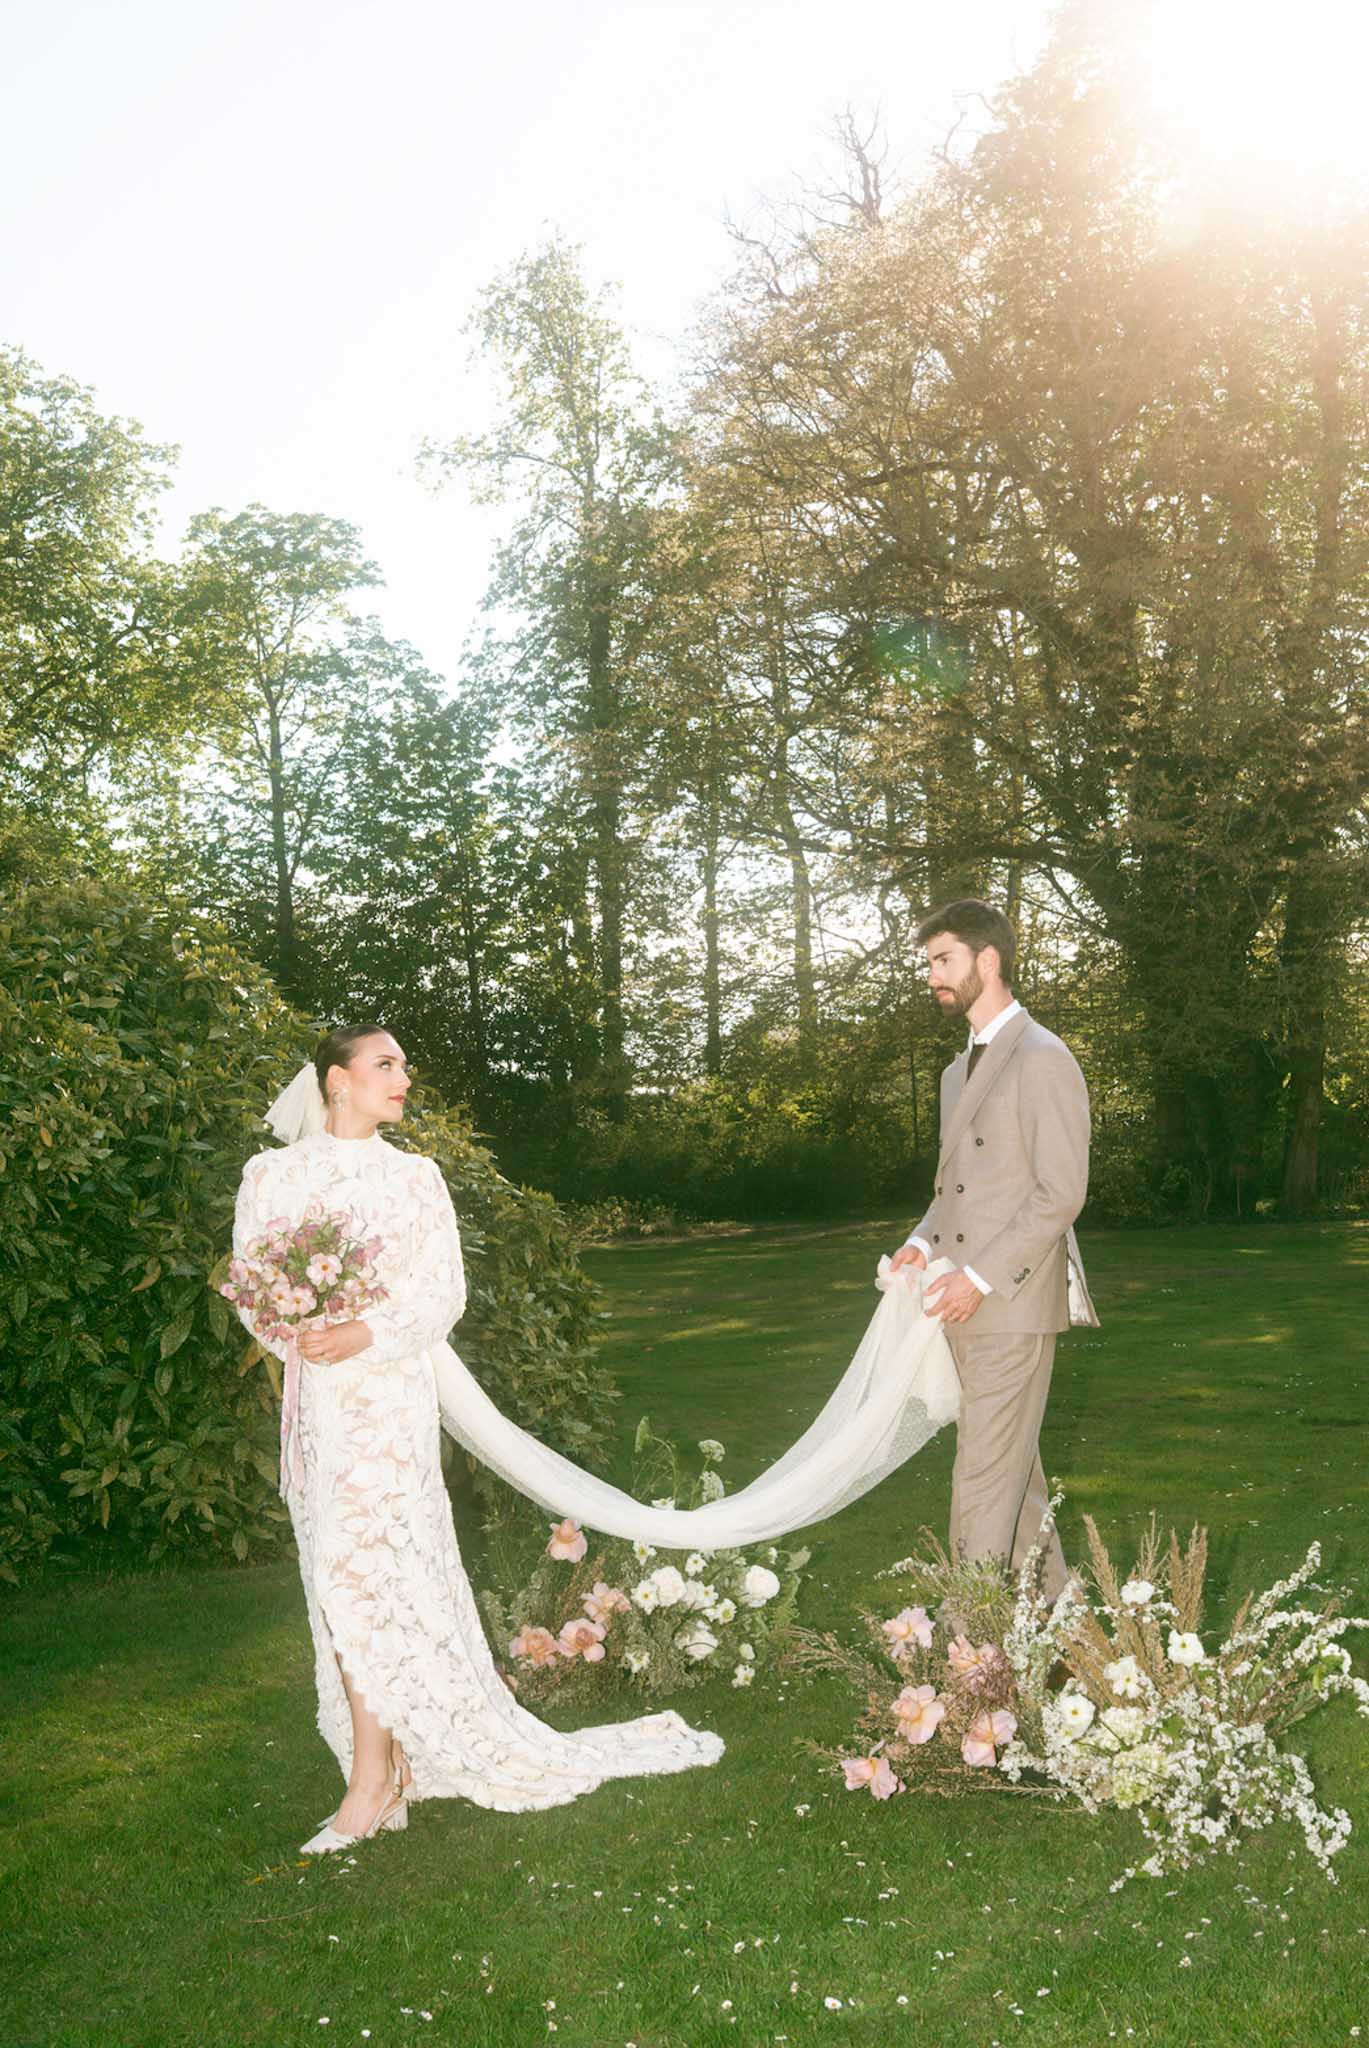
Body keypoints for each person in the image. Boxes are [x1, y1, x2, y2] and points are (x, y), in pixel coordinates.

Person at [231, 1026, 724, 1854]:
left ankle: (373, 1783)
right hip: (320, 1407)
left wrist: (364, 1332)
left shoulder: (415, 1178)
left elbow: (441, 1295)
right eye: (384, 1064)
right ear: (336, 1081)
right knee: (340, 1581)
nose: (403, 1076)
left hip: (391, 1404)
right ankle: (380, 1768)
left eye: (403, 1064)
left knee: (375, 1576)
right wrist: (295, 1331)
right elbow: (253, 1282)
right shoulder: (271, 1176)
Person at [889, 900, 1098, 1600]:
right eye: (929, 963)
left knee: (980, 1483)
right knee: (1014, 1480)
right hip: (958, 1303)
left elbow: (1060, 1193)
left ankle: (970, 1650)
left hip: (1009, 1303)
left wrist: (977, 1277)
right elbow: (958, 1190)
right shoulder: (956, 1073)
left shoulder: (1044, 1058)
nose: (932, 977)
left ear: (988, 959)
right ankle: (1065, 1628)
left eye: (942, 960)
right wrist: (921, 1243)